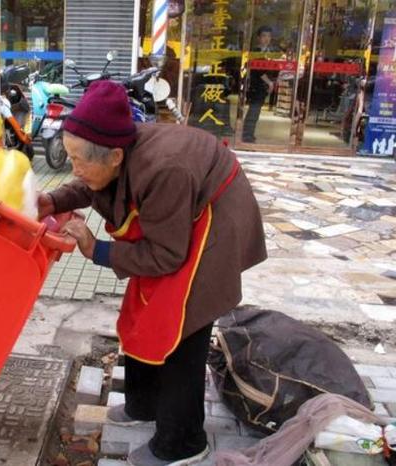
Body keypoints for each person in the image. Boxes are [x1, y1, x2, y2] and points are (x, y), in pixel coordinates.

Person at [38, 81, 267, 466]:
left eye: (80, 160)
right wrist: (51, 200)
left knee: (181, 330)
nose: (74, 168)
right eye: (70, 156)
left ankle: (184, 443)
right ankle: (143, 405)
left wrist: (98, 250)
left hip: (214, 221)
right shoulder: (115, 151)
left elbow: (164, 256)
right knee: (143, 312)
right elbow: (88, 184)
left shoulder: (164, 171)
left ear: (114, 156)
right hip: (177, 219)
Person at [243, 25, 278, 143]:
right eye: (264, 36)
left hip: (263, 86)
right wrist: (269, 82)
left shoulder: (270, 52)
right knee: (253, 110)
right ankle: (247, 135)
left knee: (256, 111)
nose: (266, 39)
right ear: (258, 38)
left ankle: (249, 134)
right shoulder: (255, 52)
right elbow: (258, 71)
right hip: (256, 85)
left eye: (269, 36)